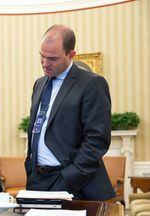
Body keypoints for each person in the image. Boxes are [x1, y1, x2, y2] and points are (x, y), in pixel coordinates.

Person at [25, 25, 115, 200]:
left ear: (71, 54)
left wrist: (70, 176)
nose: (45, 63)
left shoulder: (92, 84)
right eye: (42, 57)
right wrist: (31, 166)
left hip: (73, 183)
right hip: (38, 181)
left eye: (53, 58)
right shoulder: (39, 84)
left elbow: (97, 139)